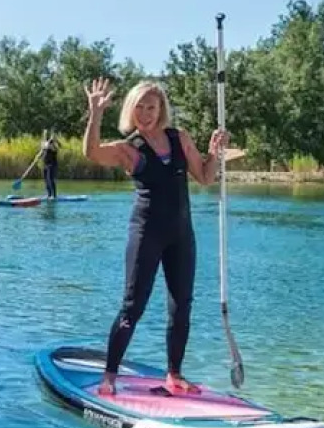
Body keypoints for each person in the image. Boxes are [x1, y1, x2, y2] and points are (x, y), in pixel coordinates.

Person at [83, 77, 228, 396]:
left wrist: (214, 153)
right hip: (146, 233)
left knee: (182, 306)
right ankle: (109, 376)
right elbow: (92, 152)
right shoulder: (129, 150)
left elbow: (204, 177)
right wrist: (95, 113)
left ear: (161, 109)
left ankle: (174, 374)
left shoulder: (179, 138)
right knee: (132, 307)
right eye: (140, 107)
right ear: (131, 110)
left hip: (181, 234)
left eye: (152, 106)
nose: (146, 113)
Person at [40, 130, 60, 200]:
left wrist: (53, 140)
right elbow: (43, 148)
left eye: (46, 134)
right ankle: (49, 195)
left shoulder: (53, 144)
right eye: (44, 134)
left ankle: (54, 196)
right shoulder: (44, 143)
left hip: (52, 164)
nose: (45, 135)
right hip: (45, 164)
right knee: (46, 180)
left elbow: (53, 147)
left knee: (50, 179)